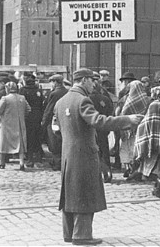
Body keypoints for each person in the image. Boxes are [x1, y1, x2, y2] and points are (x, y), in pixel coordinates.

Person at [53, 68, 143, 245]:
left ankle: (69, 233)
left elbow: (56, 129)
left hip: (68, 155)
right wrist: (128, 119)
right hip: (85, 154)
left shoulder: (61, 101)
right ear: (84, 80)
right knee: (85, 193)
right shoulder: (83, 100)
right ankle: (82, 236)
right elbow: (99, 121)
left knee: (70, 193)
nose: (94, 84)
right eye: (92, 80)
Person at [0, 81, 31, 170]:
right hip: (20, 124)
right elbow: (28, 109)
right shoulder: (22, 98)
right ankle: (21, 163)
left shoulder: (5, 98)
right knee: (20, 144)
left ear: (7, 89)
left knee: (3, 143)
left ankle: (1, 163)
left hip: (7, 124)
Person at [118, 80, 151, 177]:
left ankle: (129, 168)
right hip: (142, 129)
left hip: (128, 129)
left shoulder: (125, 100)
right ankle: (139, 170)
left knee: (127, 148)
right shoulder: (147, 99)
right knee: (140, 149)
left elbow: (119, 113)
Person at [89, 73, 114, 183]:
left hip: (92, 128)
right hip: (103, 127)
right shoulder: (104, 94)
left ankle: (98, 172)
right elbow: (110, 110)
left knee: (95, 150)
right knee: (104, 150)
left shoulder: (87, 97)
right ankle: (107, 172)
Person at [41, 74, 68, 171]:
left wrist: (44, 122)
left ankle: (57, 164)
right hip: (65, 120)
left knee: (54, 143)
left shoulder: (54, 93)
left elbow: (49, 109)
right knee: (62, 141)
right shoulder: (66, 91)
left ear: (56, 82)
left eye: (52, 82)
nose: (51, 84)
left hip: (54, 121)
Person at [19, 76, 45, 168]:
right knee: (37, 136)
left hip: (28, 116)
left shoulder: (23, 91)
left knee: (29, 137)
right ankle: (38, 158)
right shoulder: (38, 91)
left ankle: (30, 159)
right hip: (38, 116)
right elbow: (42, 103)